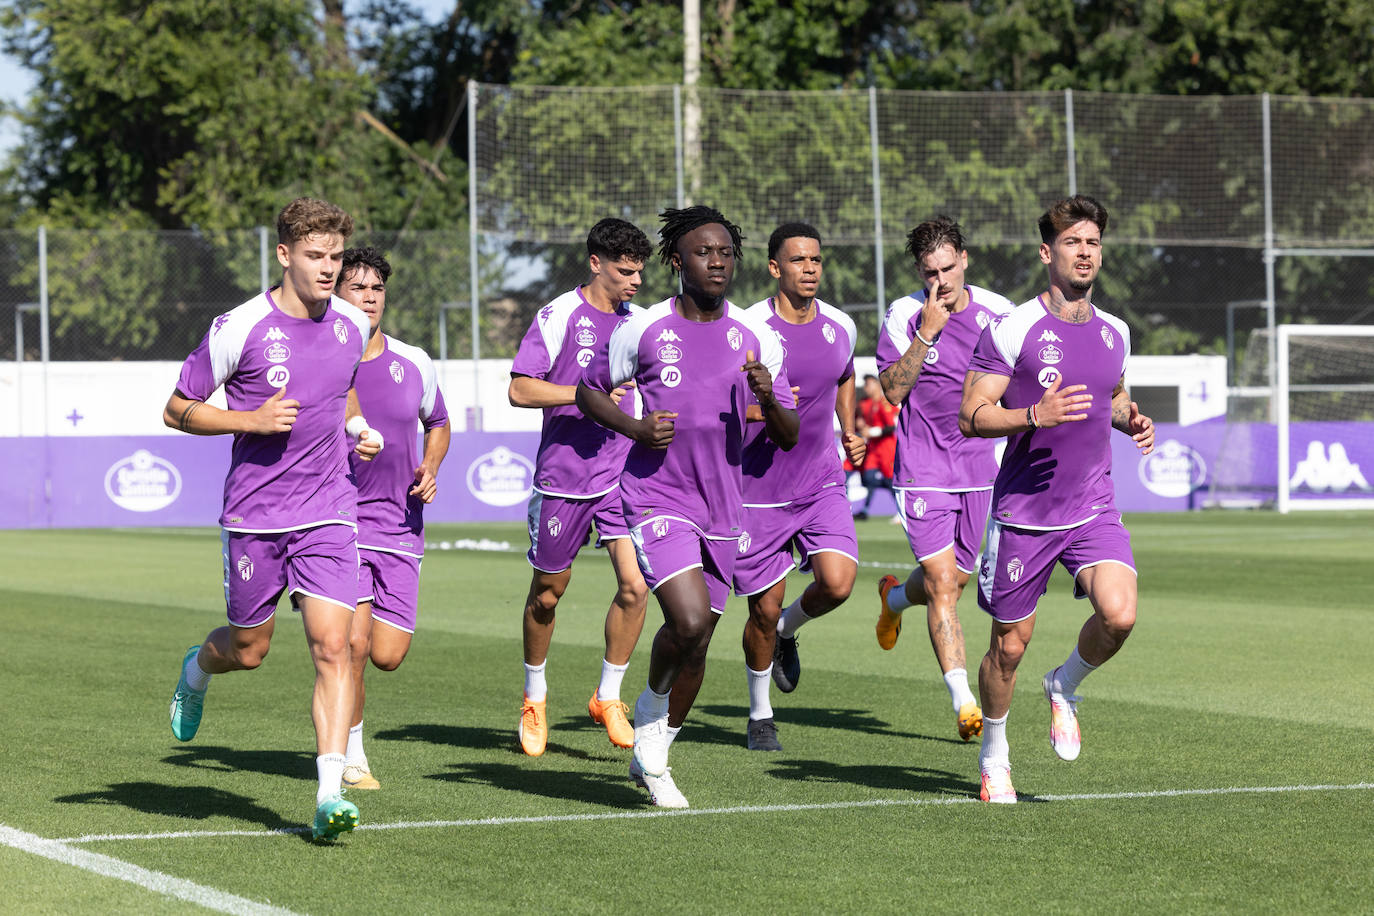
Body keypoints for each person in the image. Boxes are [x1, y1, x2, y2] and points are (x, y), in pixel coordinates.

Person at [163, 197, 381, 842]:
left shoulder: (348, 322)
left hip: (331, 510)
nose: (327, 268)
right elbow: (177, 409)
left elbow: (342, 389)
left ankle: (327, 794)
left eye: (335, 257)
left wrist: (359, 428)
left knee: (334, 647)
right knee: (250, 650)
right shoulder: (239, 326)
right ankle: (197, 669)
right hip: (256, 517)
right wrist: (249, 420)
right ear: (284, 254)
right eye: (315, 256)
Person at [576, 205, 798, 808]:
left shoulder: (755, 338)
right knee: (691, 619)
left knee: (697, 641)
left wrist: (769, 397)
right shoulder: (642, 329)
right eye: (705, 251)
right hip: (655, 496)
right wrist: (636, 429)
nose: (719, 260)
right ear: (677, 261)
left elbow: (788, 432)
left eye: (727, 251)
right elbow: (587, 392)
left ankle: (656, 746)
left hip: (724, 507)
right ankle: (649, 728)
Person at [958, 195, 1155, 804]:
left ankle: (1064, 686)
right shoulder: (1013, 327)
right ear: (1048, 253)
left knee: (1120, 614)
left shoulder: (1115, 331)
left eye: (1093, 242)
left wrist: (1131, 421)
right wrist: (1031, 415)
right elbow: (971, 416)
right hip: (1026, 513)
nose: (1086, 252)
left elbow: (1110, 398)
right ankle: (995, 755)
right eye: (1073, 242)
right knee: (1008, 648)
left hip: (1093, 504)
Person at [508, 218, 653, 756]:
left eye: (640, 272)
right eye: (624, 270)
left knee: (636, 587)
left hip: (623, 476)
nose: (635, 281)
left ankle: (607, 696)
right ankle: (535, 697)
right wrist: (586, 396)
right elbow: (520, 390)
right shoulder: (559, 315)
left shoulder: (640, 324)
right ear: (596, 263)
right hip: (565, 478)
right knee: (547, 595)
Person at [872, 217, 1015, 742]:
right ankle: (964, 701)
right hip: (923, 469)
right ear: (919, 270)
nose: (941, 282)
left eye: (949, 268)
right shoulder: (906, 314)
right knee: (942, 586)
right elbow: (891, 390)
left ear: (965, 259)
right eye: (930, 272)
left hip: (980, 469)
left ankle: (891, 599)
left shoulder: (1000, 313)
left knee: (951, 581)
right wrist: (927, 334)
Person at [734, 222, 865, 751]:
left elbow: (844, 375)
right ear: (774, 268)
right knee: (761, 609)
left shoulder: (840, 326)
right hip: (758, 487)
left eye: (815, 260)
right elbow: (721, 403)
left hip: (820, 479)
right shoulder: (745, 331)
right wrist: (769, 408)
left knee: (837, 583)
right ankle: (760, 713)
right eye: (797, 261)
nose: (809, 269)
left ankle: (790, 630)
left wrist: (849, 429)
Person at [335, 245, 451, 790]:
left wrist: (430, 466)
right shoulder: (326, 360)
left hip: (402, 526)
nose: (370, 297)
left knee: (386, 655)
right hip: (341, 522)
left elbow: (440, 423)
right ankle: (351, 755)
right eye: (357, 287)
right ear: (336, 293)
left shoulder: (415, 361)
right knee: (352, 646)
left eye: (376, 287)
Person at [854, 375, 897, 520]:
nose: (866, 388)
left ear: (876, 385)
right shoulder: (866, 403)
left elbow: (891, 427)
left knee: (889, 479)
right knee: (868, 477)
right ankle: (865, 509)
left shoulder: (884, 403)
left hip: (887, 447)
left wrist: (871, 431)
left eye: (868, 384)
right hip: (873, 447)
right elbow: (858, 420)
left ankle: (899, 509)